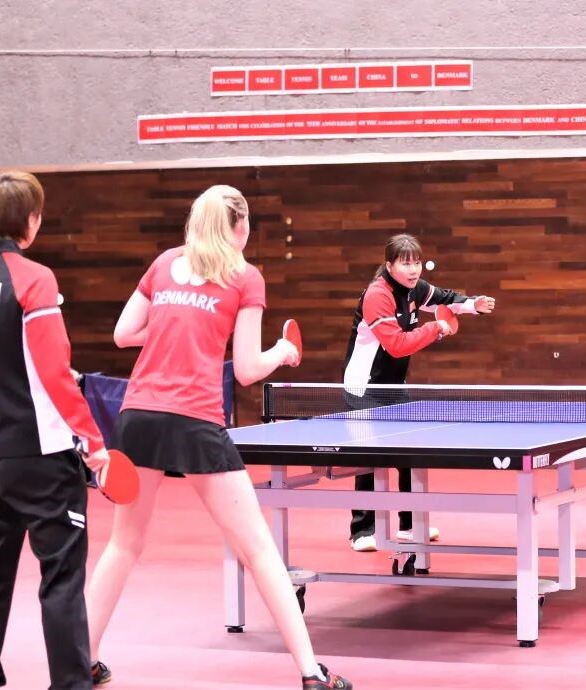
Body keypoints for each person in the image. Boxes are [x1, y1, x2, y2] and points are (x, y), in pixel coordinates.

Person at [85, 185, 351, 690]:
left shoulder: (165, 263)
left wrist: (175, 327)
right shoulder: (245, 276)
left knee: (123, 545)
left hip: (138, 417)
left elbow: (123, 334)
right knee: (259, 551)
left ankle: (82, 659)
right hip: (195, 420)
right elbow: (247, 370)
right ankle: (312, 673)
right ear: (241, 226)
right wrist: (281, 353)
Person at [0, 171, 111, 690]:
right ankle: (71, 683)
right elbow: (54, 371)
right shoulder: (35, 278)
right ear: (32, 220)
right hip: (38, 455)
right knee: (61, 574)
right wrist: (94, 441)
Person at [345, 234, 496, 552]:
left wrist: (473, 305)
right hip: (364, 387)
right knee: (369, 456)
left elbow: (444, 298)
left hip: (393, 386)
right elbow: (397, 346)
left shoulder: (415, 288)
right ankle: (362, 530)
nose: (413, 269)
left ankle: (409, 524)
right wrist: (435, 328)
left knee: (409, 451)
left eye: (416, 262)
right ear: (390, 265)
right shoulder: (377, 295)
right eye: (406, 263)